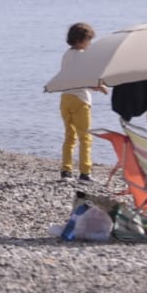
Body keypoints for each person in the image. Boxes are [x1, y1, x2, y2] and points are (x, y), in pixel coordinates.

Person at [57, 22, 107, 181]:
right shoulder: (82, 56)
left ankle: (66, 171)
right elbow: (85, 77)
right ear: (80, 40)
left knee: (69, 136)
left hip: (65, 98)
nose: (90, 44)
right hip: (80, 100)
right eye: (88, 40)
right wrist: (99, 87)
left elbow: (71, 76)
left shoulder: (67, 54)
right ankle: (85, 172)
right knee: (85, 137)